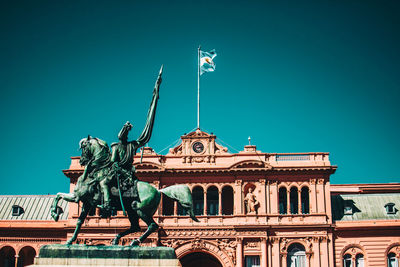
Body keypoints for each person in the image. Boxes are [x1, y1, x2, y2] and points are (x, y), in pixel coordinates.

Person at [99, 67, 162, 212]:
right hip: (124, 173)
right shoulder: (124, 146)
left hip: (121, 174)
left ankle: (107, 204)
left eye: (125, 133)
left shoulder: (126, 146)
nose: (123, 135)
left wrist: (154, 99)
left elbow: (145, 134)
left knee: (104, 183)